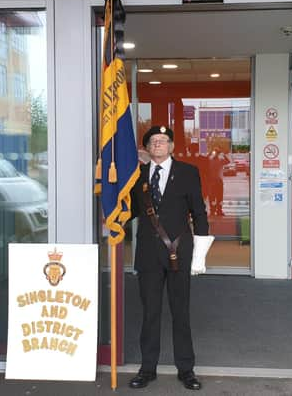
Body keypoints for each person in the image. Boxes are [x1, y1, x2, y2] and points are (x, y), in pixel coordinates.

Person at [128, 125, 209, 391]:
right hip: (148, 255)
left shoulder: (188, 172)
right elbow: (129, 210)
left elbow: (199, 213)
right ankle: (147, 368)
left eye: (163, 140)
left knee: (180, 313)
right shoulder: (136, 175)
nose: (159, 144)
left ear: (172, 146)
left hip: (178, 253)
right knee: (150, 314)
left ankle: (186, 369)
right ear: (147, 148)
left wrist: (200, 255)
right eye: (154, 141)